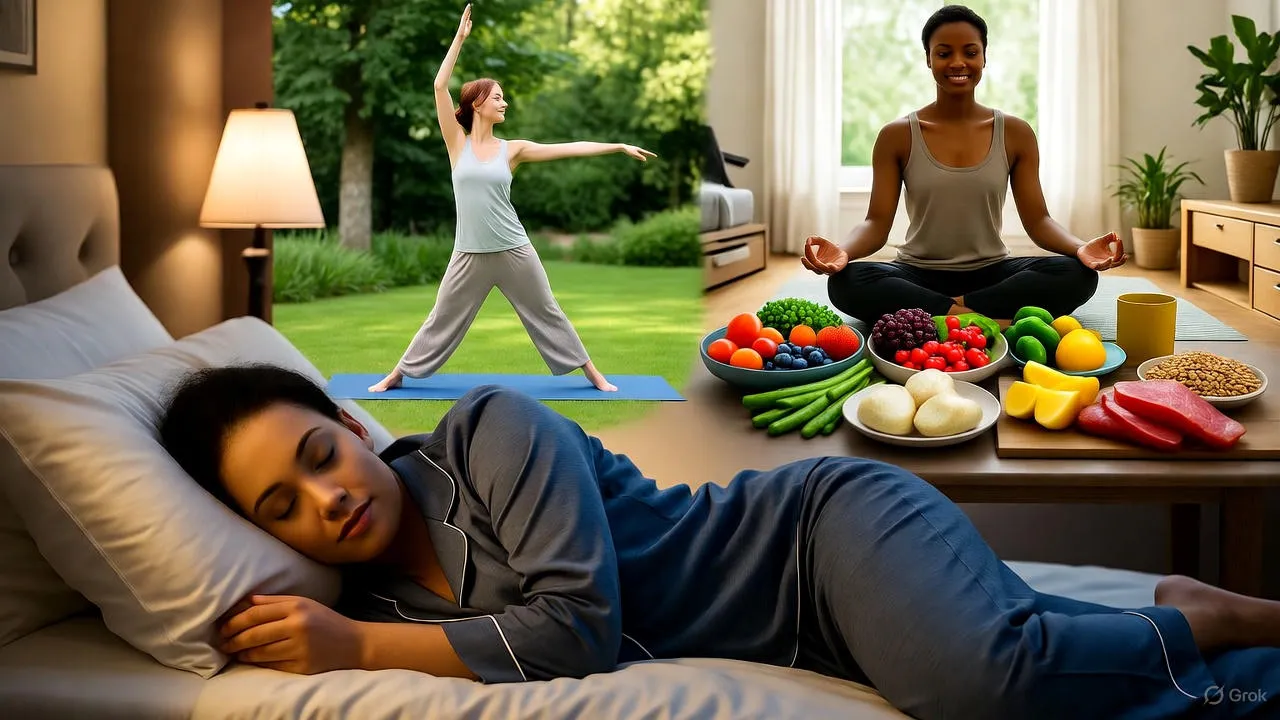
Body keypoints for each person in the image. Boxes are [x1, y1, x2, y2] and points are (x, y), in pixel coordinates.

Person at [158, 363, 1279, 720]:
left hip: (816, 537)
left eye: (319, 455)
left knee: (983, 683)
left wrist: (354, 651)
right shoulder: (369, 602)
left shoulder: (491, 430)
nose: (325, 503)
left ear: (351, 424)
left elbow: (575, 629)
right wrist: (349, 632)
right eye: (280, 509)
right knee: (1012, 642)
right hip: (805, 638)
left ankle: (1231, 631)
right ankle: (1182, 612)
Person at [368, 4, 655, 394]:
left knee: (548, 311)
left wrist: (617, 146)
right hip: (468, 253)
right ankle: (396, 374)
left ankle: (595, 375)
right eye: (498, 97)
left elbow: (568, 148)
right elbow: (439, 86)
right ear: (477, 104)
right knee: (441, 317)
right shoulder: (457, 143)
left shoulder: (513, 149)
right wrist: (460, 38)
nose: (504, 103)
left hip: (514, 249)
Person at [802, 5, 1126, 327]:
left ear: (984, 57)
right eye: (944, 53)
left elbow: (1039, 221)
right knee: (847, 281)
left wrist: (1081, 248)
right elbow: (875, 224)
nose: (958, 62)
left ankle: (941, 315)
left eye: (970, 52)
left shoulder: (1015, 133)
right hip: (918, 273)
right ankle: (984, 319)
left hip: (991, 273)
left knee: (1077, 274)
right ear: (928, 59)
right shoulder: (896, 136)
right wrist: (843, 251)